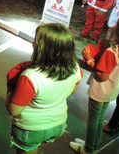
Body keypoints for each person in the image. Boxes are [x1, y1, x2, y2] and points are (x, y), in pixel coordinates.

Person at [70, 14, 119, 154]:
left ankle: (88, 149)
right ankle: (92, 144)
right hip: (113, 89)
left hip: (100, 90)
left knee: (94, 120)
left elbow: (102, 76)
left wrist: (89, 59)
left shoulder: (112, 52)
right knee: (99, 119)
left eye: (117, 26)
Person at [6, 23, 82, 154]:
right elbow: (73, 89)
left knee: (30, 147)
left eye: (36, 39)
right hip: (58, 124)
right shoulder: (75, 67)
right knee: (38, 144)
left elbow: (14, 110)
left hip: (31, 129)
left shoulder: (31, 76)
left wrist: (10, 86)